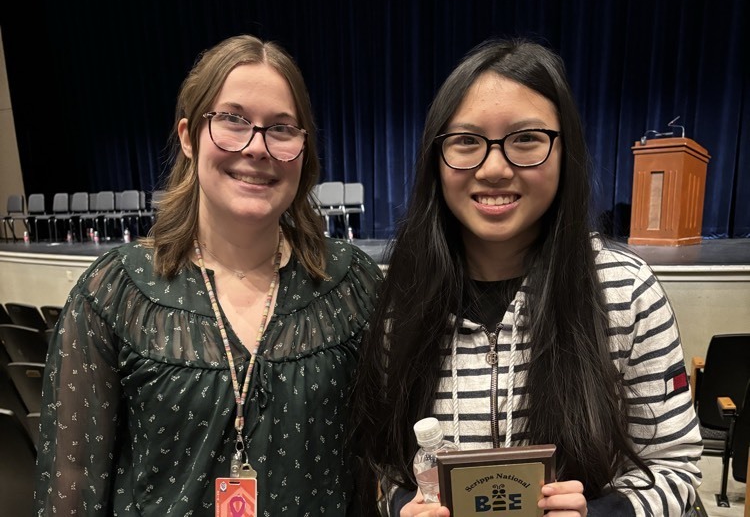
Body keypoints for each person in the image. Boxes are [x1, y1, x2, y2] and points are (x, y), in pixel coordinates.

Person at [351, 38, 702, 516]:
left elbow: (675, 467)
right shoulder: (403, 300)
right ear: (437, 159)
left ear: (565, 151)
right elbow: (389, 463)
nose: (494, 168)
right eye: (466, 141)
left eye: (526, 140)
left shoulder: (625, 291)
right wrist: (404, 506)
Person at [35, 34, 382, 515]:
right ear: (187, 137)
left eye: (282, 128)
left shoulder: (353, 285)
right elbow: (71, 484)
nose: (257, 147)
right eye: (233, 121)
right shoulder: (114, 293)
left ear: (303, 150)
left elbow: (381, 463)